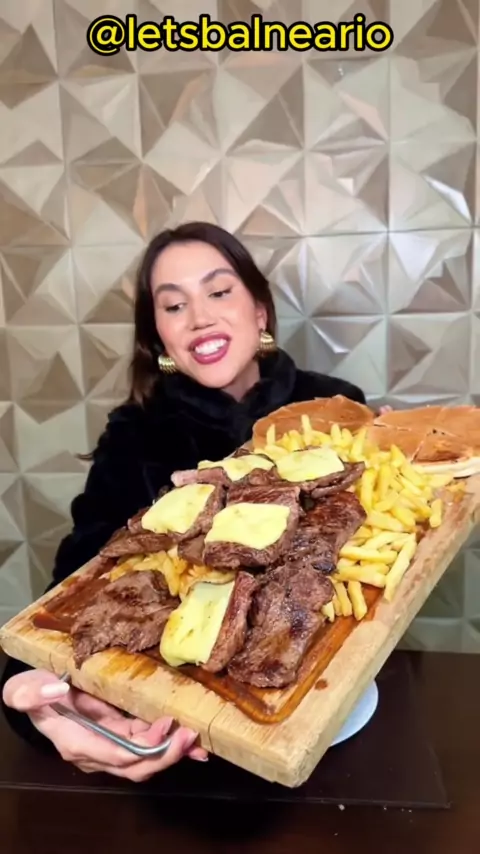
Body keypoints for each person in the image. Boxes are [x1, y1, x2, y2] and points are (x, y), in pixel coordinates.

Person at [1, 221, 376, 782]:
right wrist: (30, 689)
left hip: (334, 719)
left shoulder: (336, 407)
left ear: (260, 311)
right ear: (159, 337)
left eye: (219, 292)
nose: (199, 317)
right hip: (183, 740)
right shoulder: (133, 437)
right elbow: (74, 590)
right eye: (174, 305)